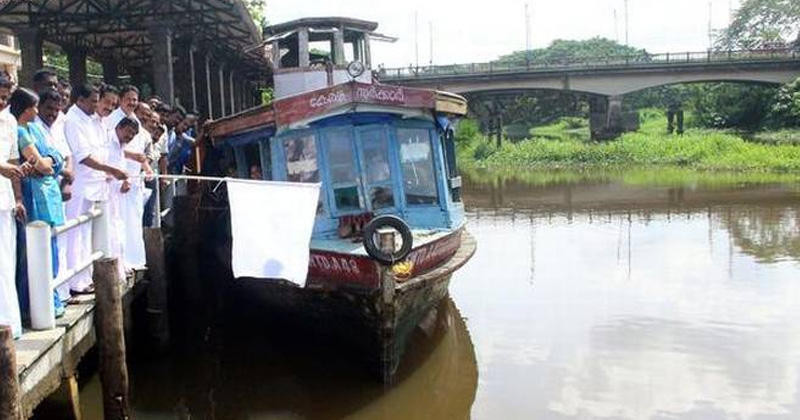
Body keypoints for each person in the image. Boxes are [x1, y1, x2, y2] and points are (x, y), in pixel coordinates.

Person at [64, 83, 127, 295]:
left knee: (85, 234)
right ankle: (76, 282)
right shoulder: (72, 120)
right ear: (80, 100)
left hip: (95, 183)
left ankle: (84, 277)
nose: (96, 105)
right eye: (94, 101)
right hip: (80, 185)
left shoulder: (90, 119)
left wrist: (107, 172)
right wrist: (110, 169)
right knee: (75, 233)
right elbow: (83, 156)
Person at [11, 87, 66, 316]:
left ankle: (49, 301)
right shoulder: (20, 132)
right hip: (33, 198)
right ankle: (32, 306)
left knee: (50, 250)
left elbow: (57, 158)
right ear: (25, 108)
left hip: (48, 196)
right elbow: (44, 165)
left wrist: (48, 163)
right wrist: (47, 164)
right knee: (32, 253)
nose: (37, 111)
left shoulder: (35, 129)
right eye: (34, 107)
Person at [35, 88, 74, 303]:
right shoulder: (34, 129)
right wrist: (63, 170)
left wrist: (68, 178)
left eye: (57, 110)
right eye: (49, 109)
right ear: (38, 107)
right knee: (43, 248)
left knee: (57, 245)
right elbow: (44, 164)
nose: (53, 113)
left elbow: (67, 156)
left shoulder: (56, 128)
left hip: (57, 194)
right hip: (40, 196)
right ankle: (48, 300)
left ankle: (58, 293)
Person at [0, 82, 25, 339]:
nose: (2, 103)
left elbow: (13, 160)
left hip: (5, 200)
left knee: (6, 261)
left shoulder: (9, 121)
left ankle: (8, 323)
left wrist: (19, 197)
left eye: (6, 98)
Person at [106, 117, 139, 279]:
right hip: (106, 192)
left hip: (117, 194)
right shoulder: (107, 141)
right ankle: (115, 269)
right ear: (119, 127)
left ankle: (121, 264)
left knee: (119, 228)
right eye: (128, 132)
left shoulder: (121, 146)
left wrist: (126, 180)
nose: (130, 136)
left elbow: (122, 167)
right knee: (112, 230)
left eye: (133, 135)